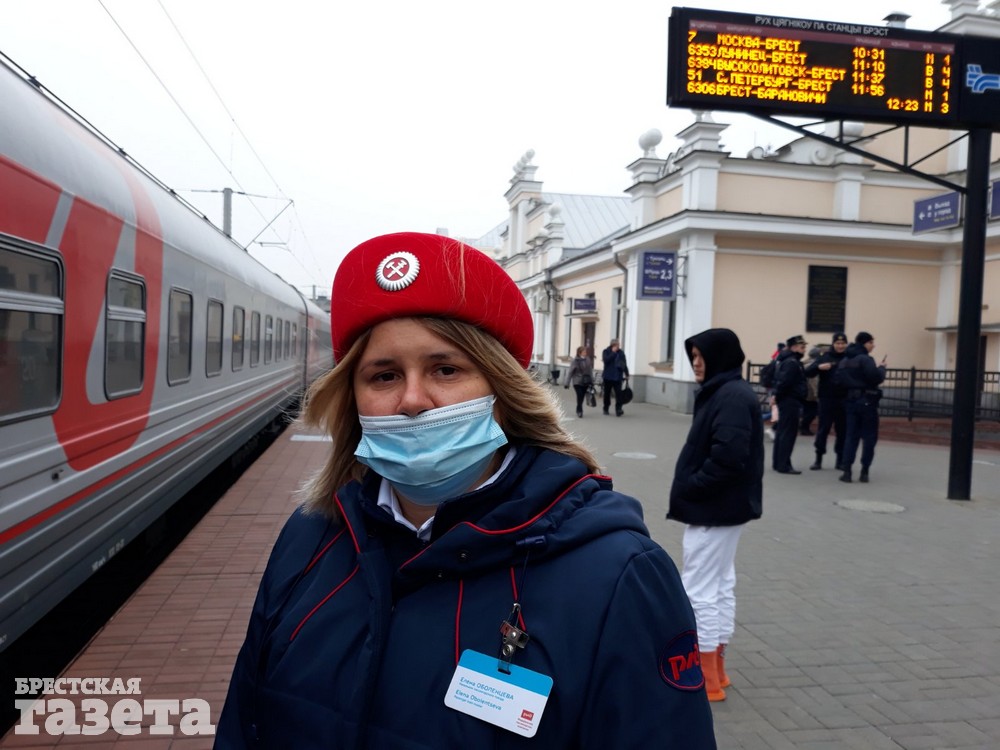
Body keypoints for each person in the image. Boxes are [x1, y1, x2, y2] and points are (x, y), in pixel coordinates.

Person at [216, 232, 717, 748]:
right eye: (384, 376)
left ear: (502, 391)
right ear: (353, 401)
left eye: (446, 369)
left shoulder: (619, 574)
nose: (413, 400)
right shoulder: (310, 538)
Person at [668, 328, 763, 703]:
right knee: (720, 585)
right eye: (692, 357)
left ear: (719, 357)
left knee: (699, 591)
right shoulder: (728, 392)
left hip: (714, 509)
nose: (695, 363)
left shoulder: (730, 396)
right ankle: (717, 671)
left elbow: (729, 457)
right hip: (725, 509)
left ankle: (704, 677)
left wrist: (693, 485)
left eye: (701, 357)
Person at [837, 331, 887, 483]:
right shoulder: (866, 359)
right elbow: (876, 378)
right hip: (867, 402)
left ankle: (847, 471)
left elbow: (838, 380)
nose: (873, 345)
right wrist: (882, 369)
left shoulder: (845, 360)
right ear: (864, 343)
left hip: (850, 401)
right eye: (871, 342)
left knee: (851, 437)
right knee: (869, 437)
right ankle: (864, 471)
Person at [805, 332, 849, 471]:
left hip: (844, 399)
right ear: (833, 344)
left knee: (842, 430)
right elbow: (808, 372)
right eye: (838, 343)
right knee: (823, 429)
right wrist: (819, 367)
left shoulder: (849, 357)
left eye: (843, 344)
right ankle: (818, 459)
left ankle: (840, 460)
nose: (840, 346)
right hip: (827, 399)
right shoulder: (825, 357)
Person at [771, 335, 808, 474]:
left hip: (787, 400)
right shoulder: (792, 363)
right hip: (790, 401)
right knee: (788, 434)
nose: (804, 349)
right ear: (793, 347)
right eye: (802, 346)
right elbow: (785, 382)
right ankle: (784, 465)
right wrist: (777, 396)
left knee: (782, 432)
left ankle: (779, 462)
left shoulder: (788, 361)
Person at [563, 345, 594, 417]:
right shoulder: (575, 360)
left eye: (585, 351)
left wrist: (592, 380)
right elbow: (570, 372)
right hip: (577, 381)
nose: (585, 353)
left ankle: (579, 407)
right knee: (579, 394)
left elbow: (590, 371)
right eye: (584, 351)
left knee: (582, 396)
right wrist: (567, 383)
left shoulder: (588, 359)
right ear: (580, 353)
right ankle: (579, 410)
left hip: (585, 381)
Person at [601, 338, 629, 416]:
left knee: (619, 394)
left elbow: (624, 363)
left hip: (618, 376)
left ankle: (618, 409)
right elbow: (606, 360)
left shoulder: (621, 353)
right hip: (608, 376)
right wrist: (613, 353)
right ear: (613, 345)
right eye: (617, 345)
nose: (618, 346)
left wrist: (626, 373)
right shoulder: (606, 351)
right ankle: (606, 408)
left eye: (618, 345)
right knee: (607, 394)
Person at [799, 346, 821, 436]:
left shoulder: (805, 363)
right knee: (812, 412)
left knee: (807, 411)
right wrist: (816, 393)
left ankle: (804, 427)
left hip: (804, 391)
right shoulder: (814, 365)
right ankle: (804, 427)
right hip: (811, 393)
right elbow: (814, 381)